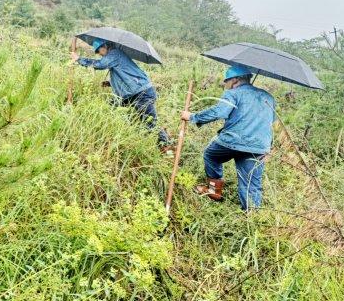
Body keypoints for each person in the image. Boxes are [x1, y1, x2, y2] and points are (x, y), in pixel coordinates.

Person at [180, 65, 275, 210]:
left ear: (235, 79)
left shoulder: (233, 94)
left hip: (233, 141)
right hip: (259, 146)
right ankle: (253, 217)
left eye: (227, 80)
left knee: (211, 155)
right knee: (251, 183)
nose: (225, 84)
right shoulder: (268, 97)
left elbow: (219, 112)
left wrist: (192, 117)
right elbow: (271, 120)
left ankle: (214, 191)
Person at [71, 38, 171, 148]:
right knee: (111, 107)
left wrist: (79, 59)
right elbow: (125, 74)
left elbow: (100, 65)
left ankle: (166, 145)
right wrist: (110, 83)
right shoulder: (115, 55)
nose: (99, 54)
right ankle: (119, 132)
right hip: (132, 93)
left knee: (150, 123)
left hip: (142, 92)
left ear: (104, 47)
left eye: (99, 51)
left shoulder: (114, 54)